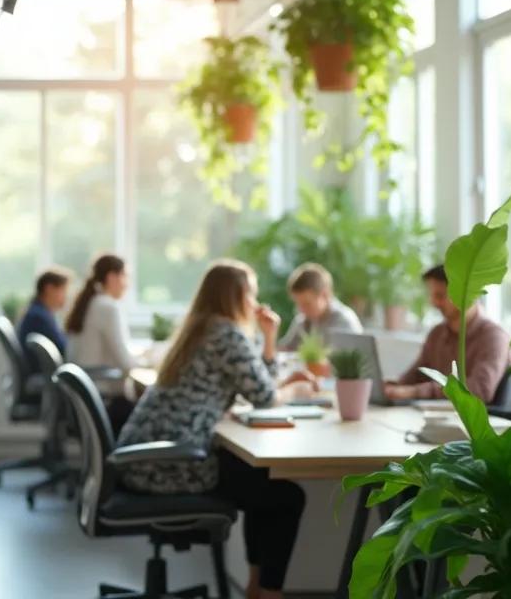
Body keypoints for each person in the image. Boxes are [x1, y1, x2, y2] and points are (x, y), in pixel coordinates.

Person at [117, 260, 305, 599]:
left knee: (264, 480)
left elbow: (253, 385)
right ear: (236, 296)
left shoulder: (199, 328)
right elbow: (263, 396)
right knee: (287, 496)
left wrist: (269, 340)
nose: (254, 302)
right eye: (251, 294)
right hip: (170, 464)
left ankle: (255, 587)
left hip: (144, 458)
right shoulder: (226, 333)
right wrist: (294, 388)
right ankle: (268, 592)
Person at [385, 265, 511, 402]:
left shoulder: (494, 337)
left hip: (475, 422)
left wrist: (415, 392)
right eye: (432, 295)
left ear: (466, 294)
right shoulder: (437, 334)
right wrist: (391, 387)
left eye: (440, 296)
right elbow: (416, 376)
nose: (434, 303)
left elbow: (480, 389)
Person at [64, 254, 139, 427]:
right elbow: (126, 363)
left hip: (88, 396)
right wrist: (151, 361)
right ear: (112, 277)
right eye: (125, 276)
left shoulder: (90, 302)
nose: (127, 284)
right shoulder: (108, 307)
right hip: (105, 398)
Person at [276, 262, 363, 351]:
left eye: (307, 304)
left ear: (325, 295)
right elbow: (283, 349)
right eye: (298, 303)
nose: (301, 309)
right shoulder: (304, 320)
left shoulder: (344, 321)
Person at [17, 268, 71, 362]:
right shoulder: (39, 317)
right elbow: (64, 349)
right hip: (44, 372)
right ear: (49, 289)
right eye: (63, 290)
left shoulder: (37, 311)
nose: (65, 296)